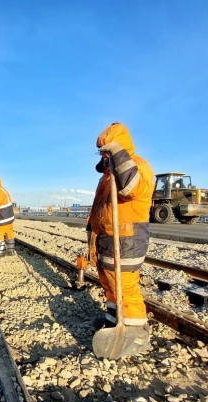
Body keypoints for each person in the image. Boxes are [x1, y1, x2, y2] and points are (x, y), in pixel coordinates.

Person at [87, 122, 154, 330]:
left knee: (124, 287)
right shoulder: (106, 177)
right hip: (108, 237)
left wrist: (119, 155)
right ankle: (114, 321)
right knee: (110, 283)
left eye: (108, 151)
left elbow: (130, 189)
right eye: (103, 152)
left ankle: (133, 330)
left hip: (126, 239)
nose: (104, 156)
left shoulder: (138, 166)